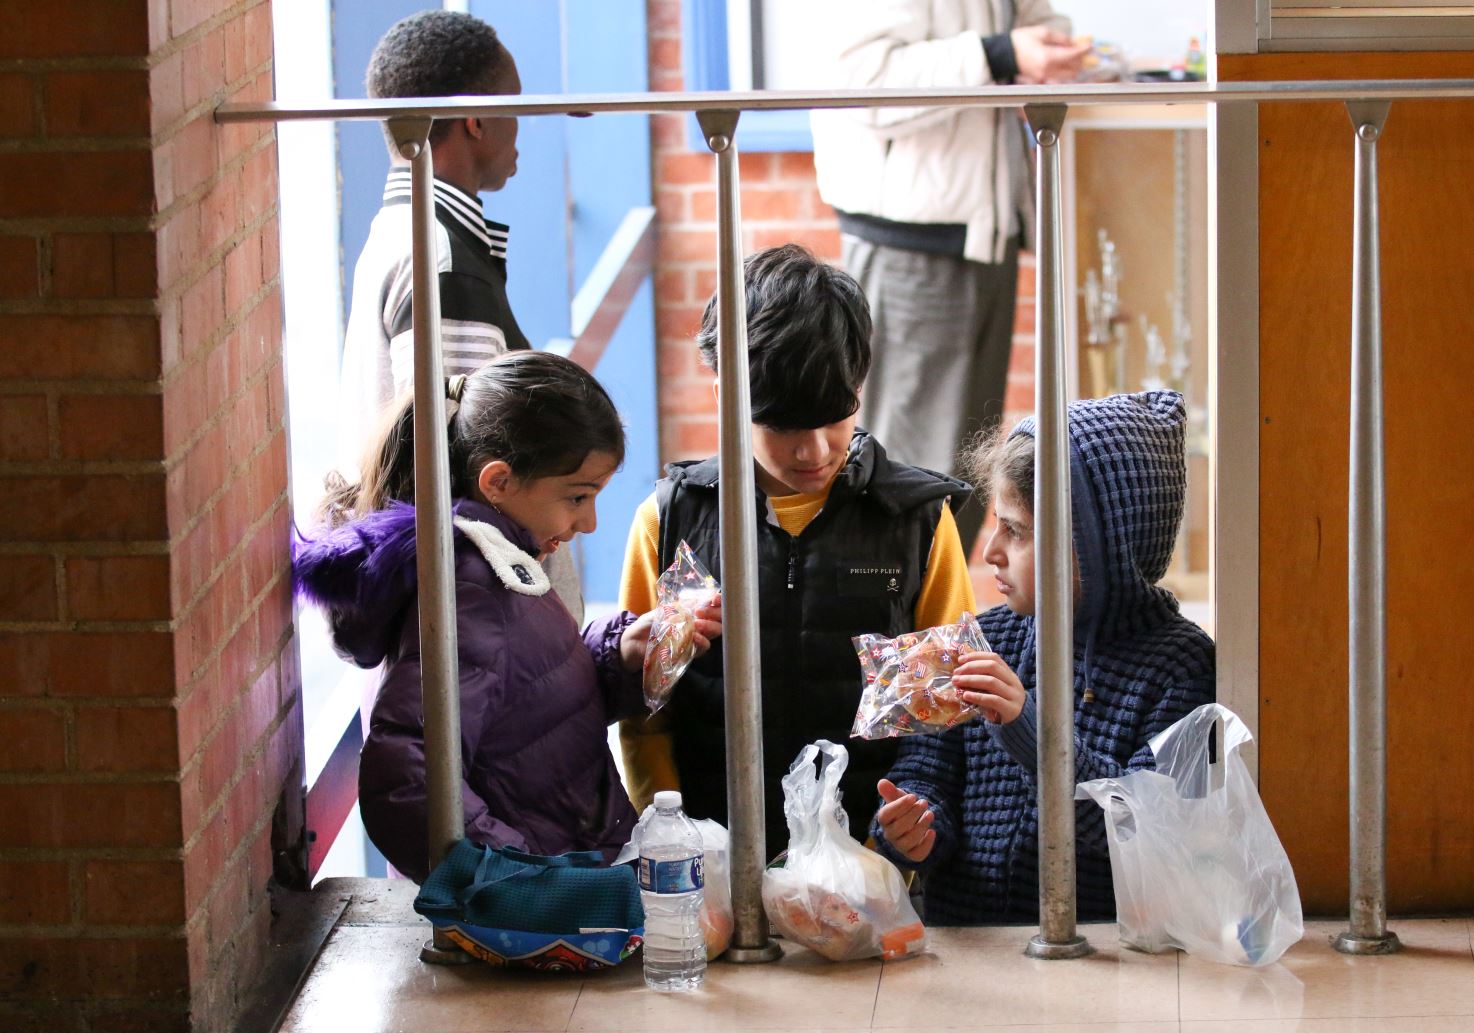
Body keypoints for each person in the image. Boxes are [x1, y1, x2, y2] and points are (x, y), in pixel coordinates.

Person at [293, 353, 721, 882]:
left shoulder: (500, 567)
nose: (587, 522)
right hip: (533, 923)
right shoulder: (473, 590)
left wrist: (619, 655)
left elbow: (523, 697)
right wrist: (527, 882)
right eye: (577, 496)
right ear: (497, 482)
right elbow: (407, 776)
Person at [617, 244, 978, 852]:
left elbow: (943, 712)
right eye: (783, 427)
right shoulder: (671, 519)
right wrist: (677, 836)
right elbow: (646, 708)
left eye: (835, 418)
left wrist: (904, 837)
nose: (814, 451)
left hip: (871, 865)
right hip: (712, 857)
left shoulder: (917, 520)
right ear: (724, 395)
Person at [871, 394, 1216, 922]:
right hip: (973, 952)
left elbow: (1148, 835)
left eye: (1017, 531)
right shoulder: (979, 638)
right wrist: (914, 826)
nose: (990, 552)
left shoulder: (1183, 666)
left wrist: (1028, 727)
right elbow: (927, 777)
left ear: (1096, 543)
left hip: (1105, 956)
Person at [810, 0, 1090, 549]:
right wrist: (1002, 54)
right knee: (913, 479)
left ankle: (931, 628)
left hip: (981, 232)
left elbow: (1040, 22)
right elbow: (859, 79)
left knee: (956, 481)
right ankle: (900, 633)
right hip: (914, 243)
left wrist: (1041, 50)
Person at [339, 11, 583, 614]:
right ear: (475, 119)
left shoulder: (409, 232)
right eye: (513, 107)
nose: (520, 127)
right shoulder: (440, 256)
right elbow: (466, 469)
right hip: (481, 628)